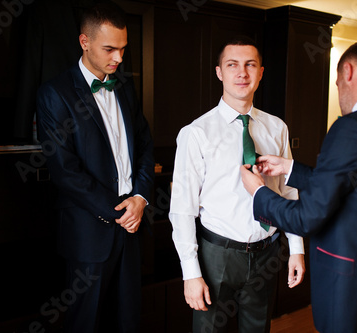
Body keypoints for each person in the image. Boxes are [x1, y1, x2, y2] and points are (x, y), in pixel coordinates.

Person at [240, 39, 357, 333]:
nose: (339, 90)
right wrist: (290, 169)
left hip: (350, 284)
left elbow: (305, 218)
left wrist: (259, 194)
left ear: (348, 71)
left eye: (337, 82)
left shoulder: (351, 126)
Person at [169, 36, 306, 333]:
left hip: (267, 252)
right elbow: (182, 209)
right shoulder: (196, 133)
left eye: (250, 65)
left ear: (260, 72)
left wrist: (296, 248)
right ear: (219, 72)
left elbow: (288, 190)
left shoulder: (277, 128)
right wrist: (190, 273)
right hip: (216, 255)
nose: (242, 73)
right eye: (232, 65)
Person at [36, 3, 154, 332]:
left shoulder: (126, 86)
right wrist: (118, 211)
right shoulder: (54, 94)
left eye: (123, 49)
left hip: (132, 226)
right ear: (84, 41)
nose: (118, 58)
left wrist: (141, 198)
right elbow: (65, 171)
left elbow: (144, 145)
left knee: (128, 319)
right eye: (109, 49)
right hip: (88, 232)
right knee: (85, 323)